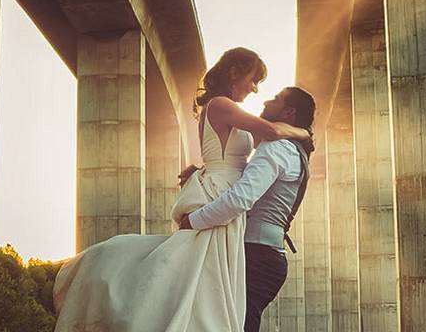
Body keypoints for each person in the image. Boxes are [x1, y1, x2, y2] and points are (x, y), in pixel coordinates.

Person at [53, 47, 312, 332]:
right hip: (224, 197)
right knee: (202, 288)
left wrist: (200, 169)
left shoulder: (235, 116)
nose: (255, 89)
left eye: (264, 88)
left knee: (205, 288)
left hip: (227, 197)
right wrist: (304, 133)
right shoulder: (222, 105)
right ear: (234, 72)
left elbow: (237, 158)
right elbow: (270, 134)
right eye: (254, 79)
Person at [178, 86, 315, 332]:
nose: (266, 100)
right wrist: (201, 171)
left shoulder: (277, 148)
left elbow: (240, 198)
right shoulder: (292, 151)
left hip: (256, 256)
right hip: (265, 255)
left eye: (275, 98)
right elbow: (245, 181)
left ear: (288, 112)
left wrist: (192, 221)